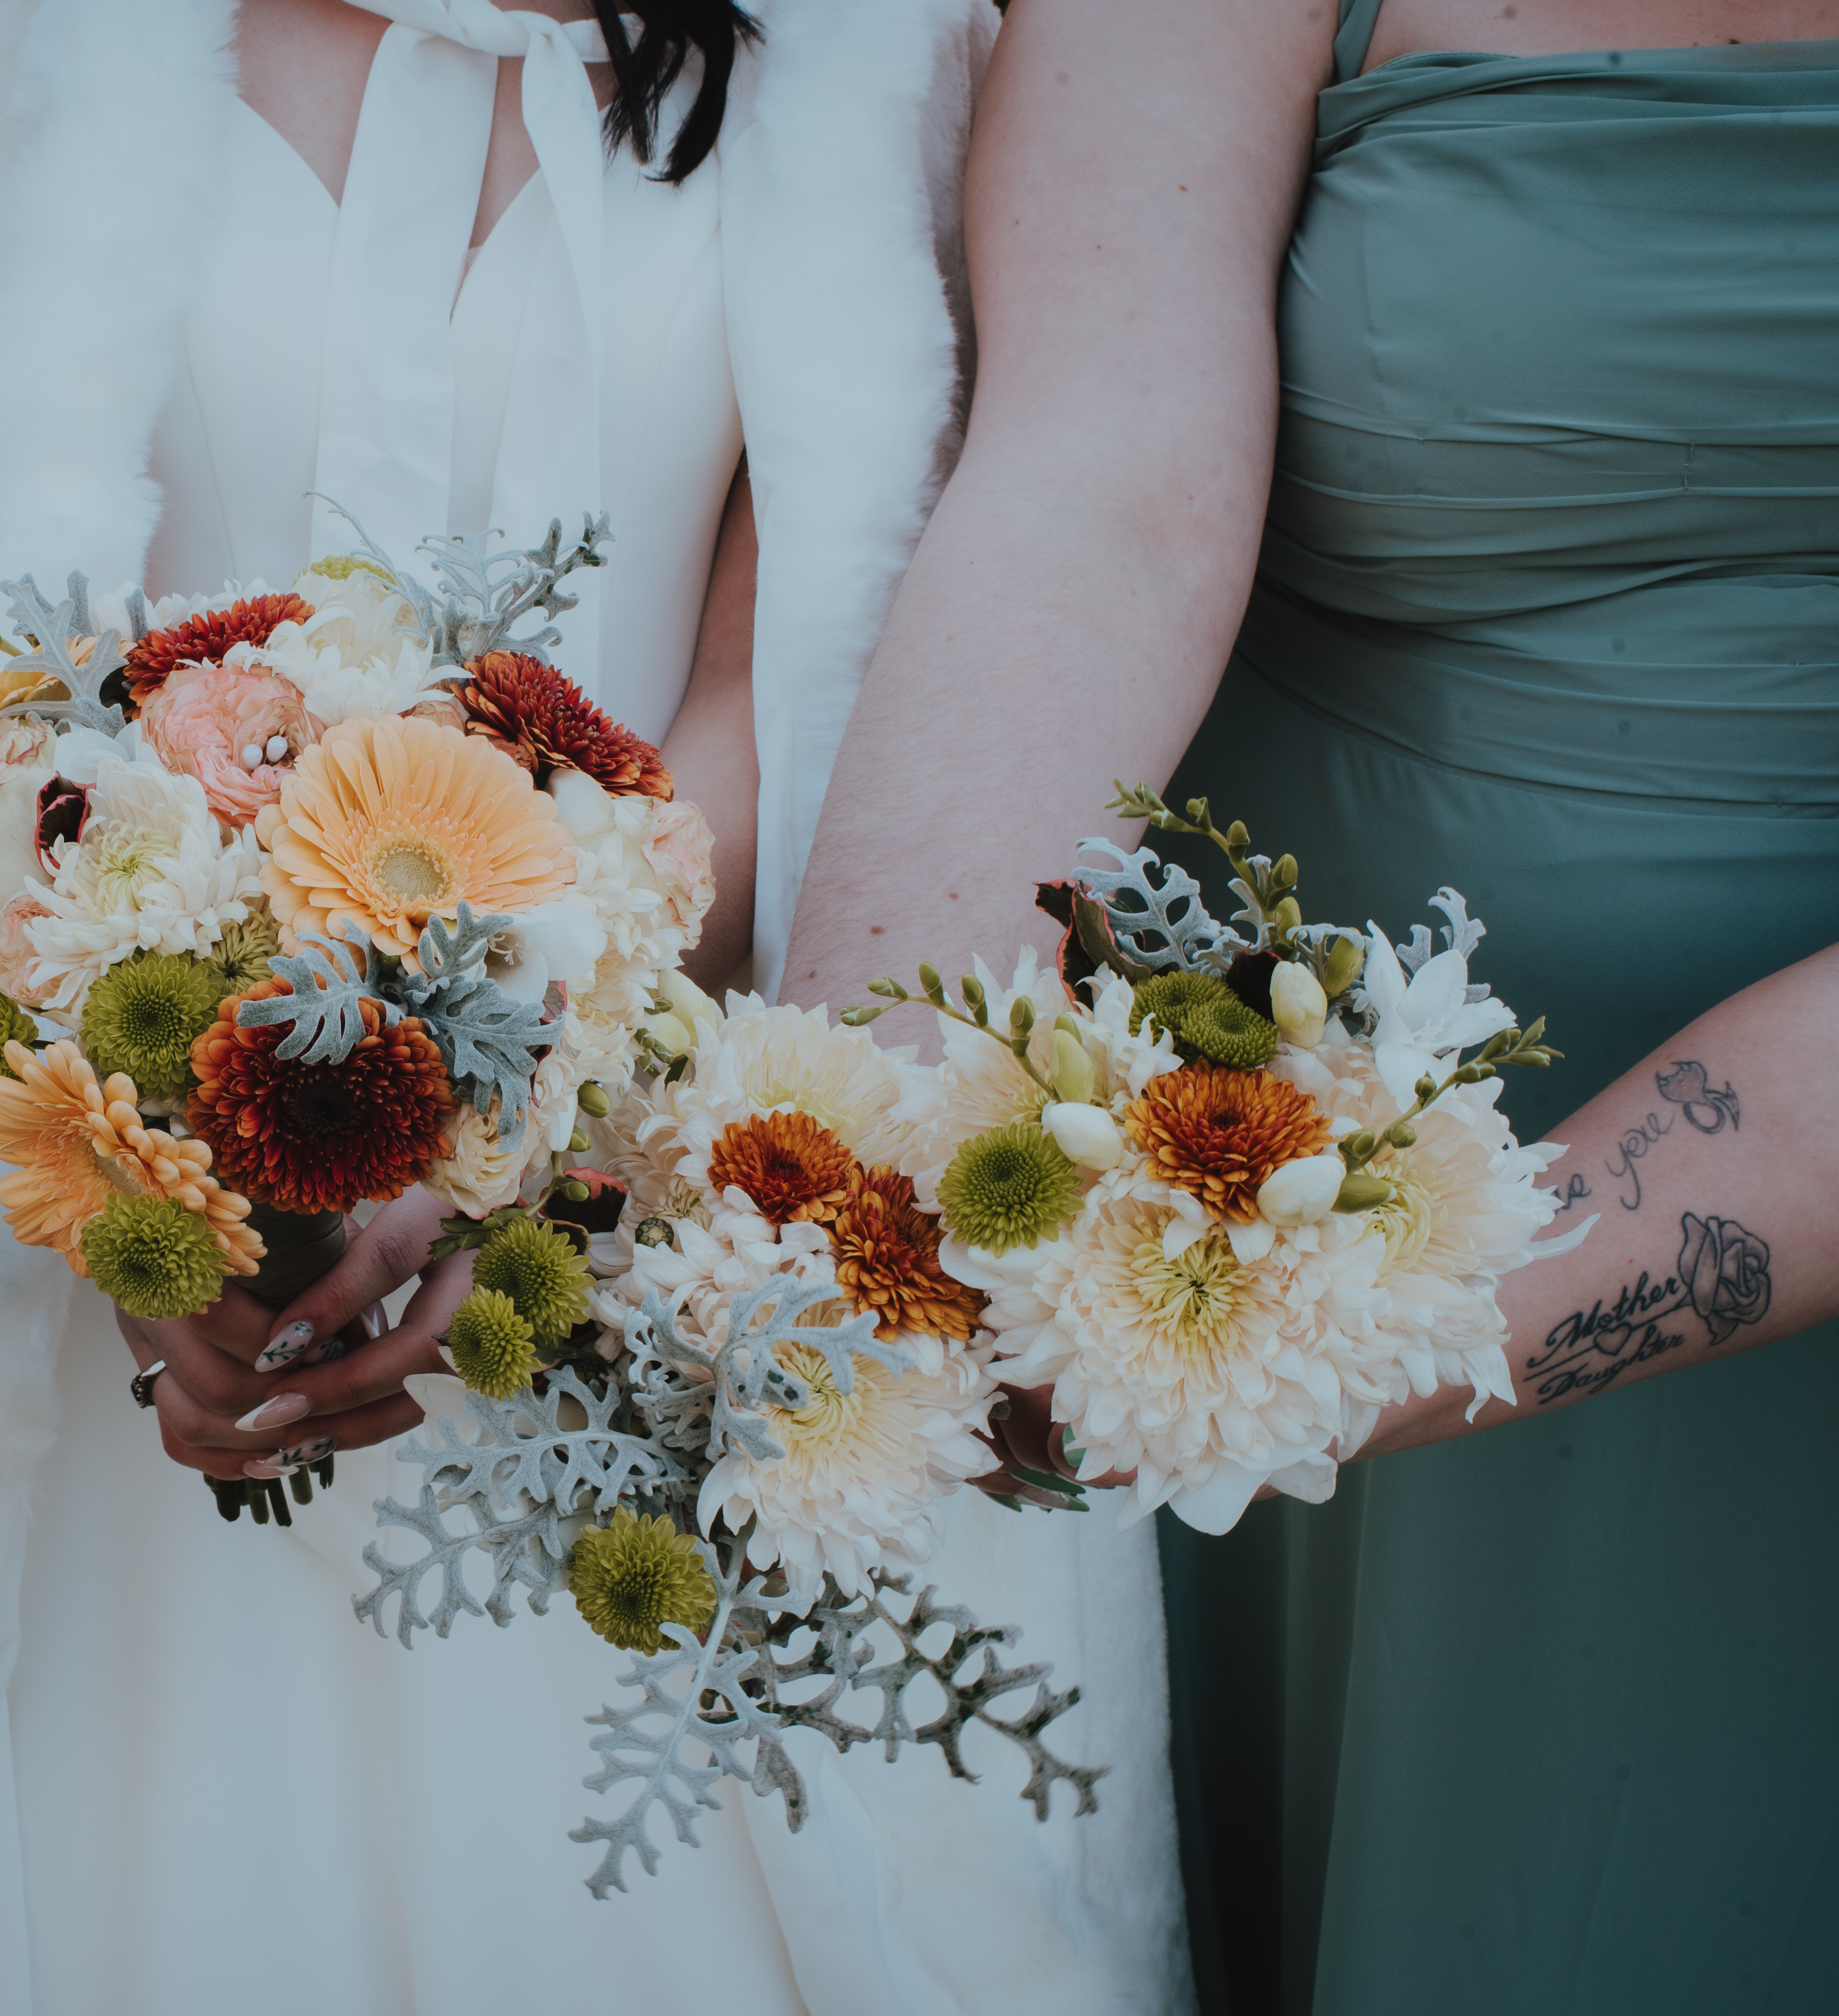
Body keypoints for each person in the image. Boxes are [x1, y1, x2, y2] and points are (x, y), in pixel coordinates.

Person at [0, 3, 1192, 2009]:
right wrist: (129, 1162)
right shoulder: (40, 36)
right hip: (135, 1250)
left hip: (635, 1178)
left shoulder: (848, 39)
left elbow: (822, 644)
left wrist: (519, 1032)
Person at [779, 0, 1839, 2007]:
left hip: (1401, 1310)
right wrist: (859, 1156)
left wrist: (1311, 1353)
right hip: (1249, 1233)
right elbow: (1097, 490)